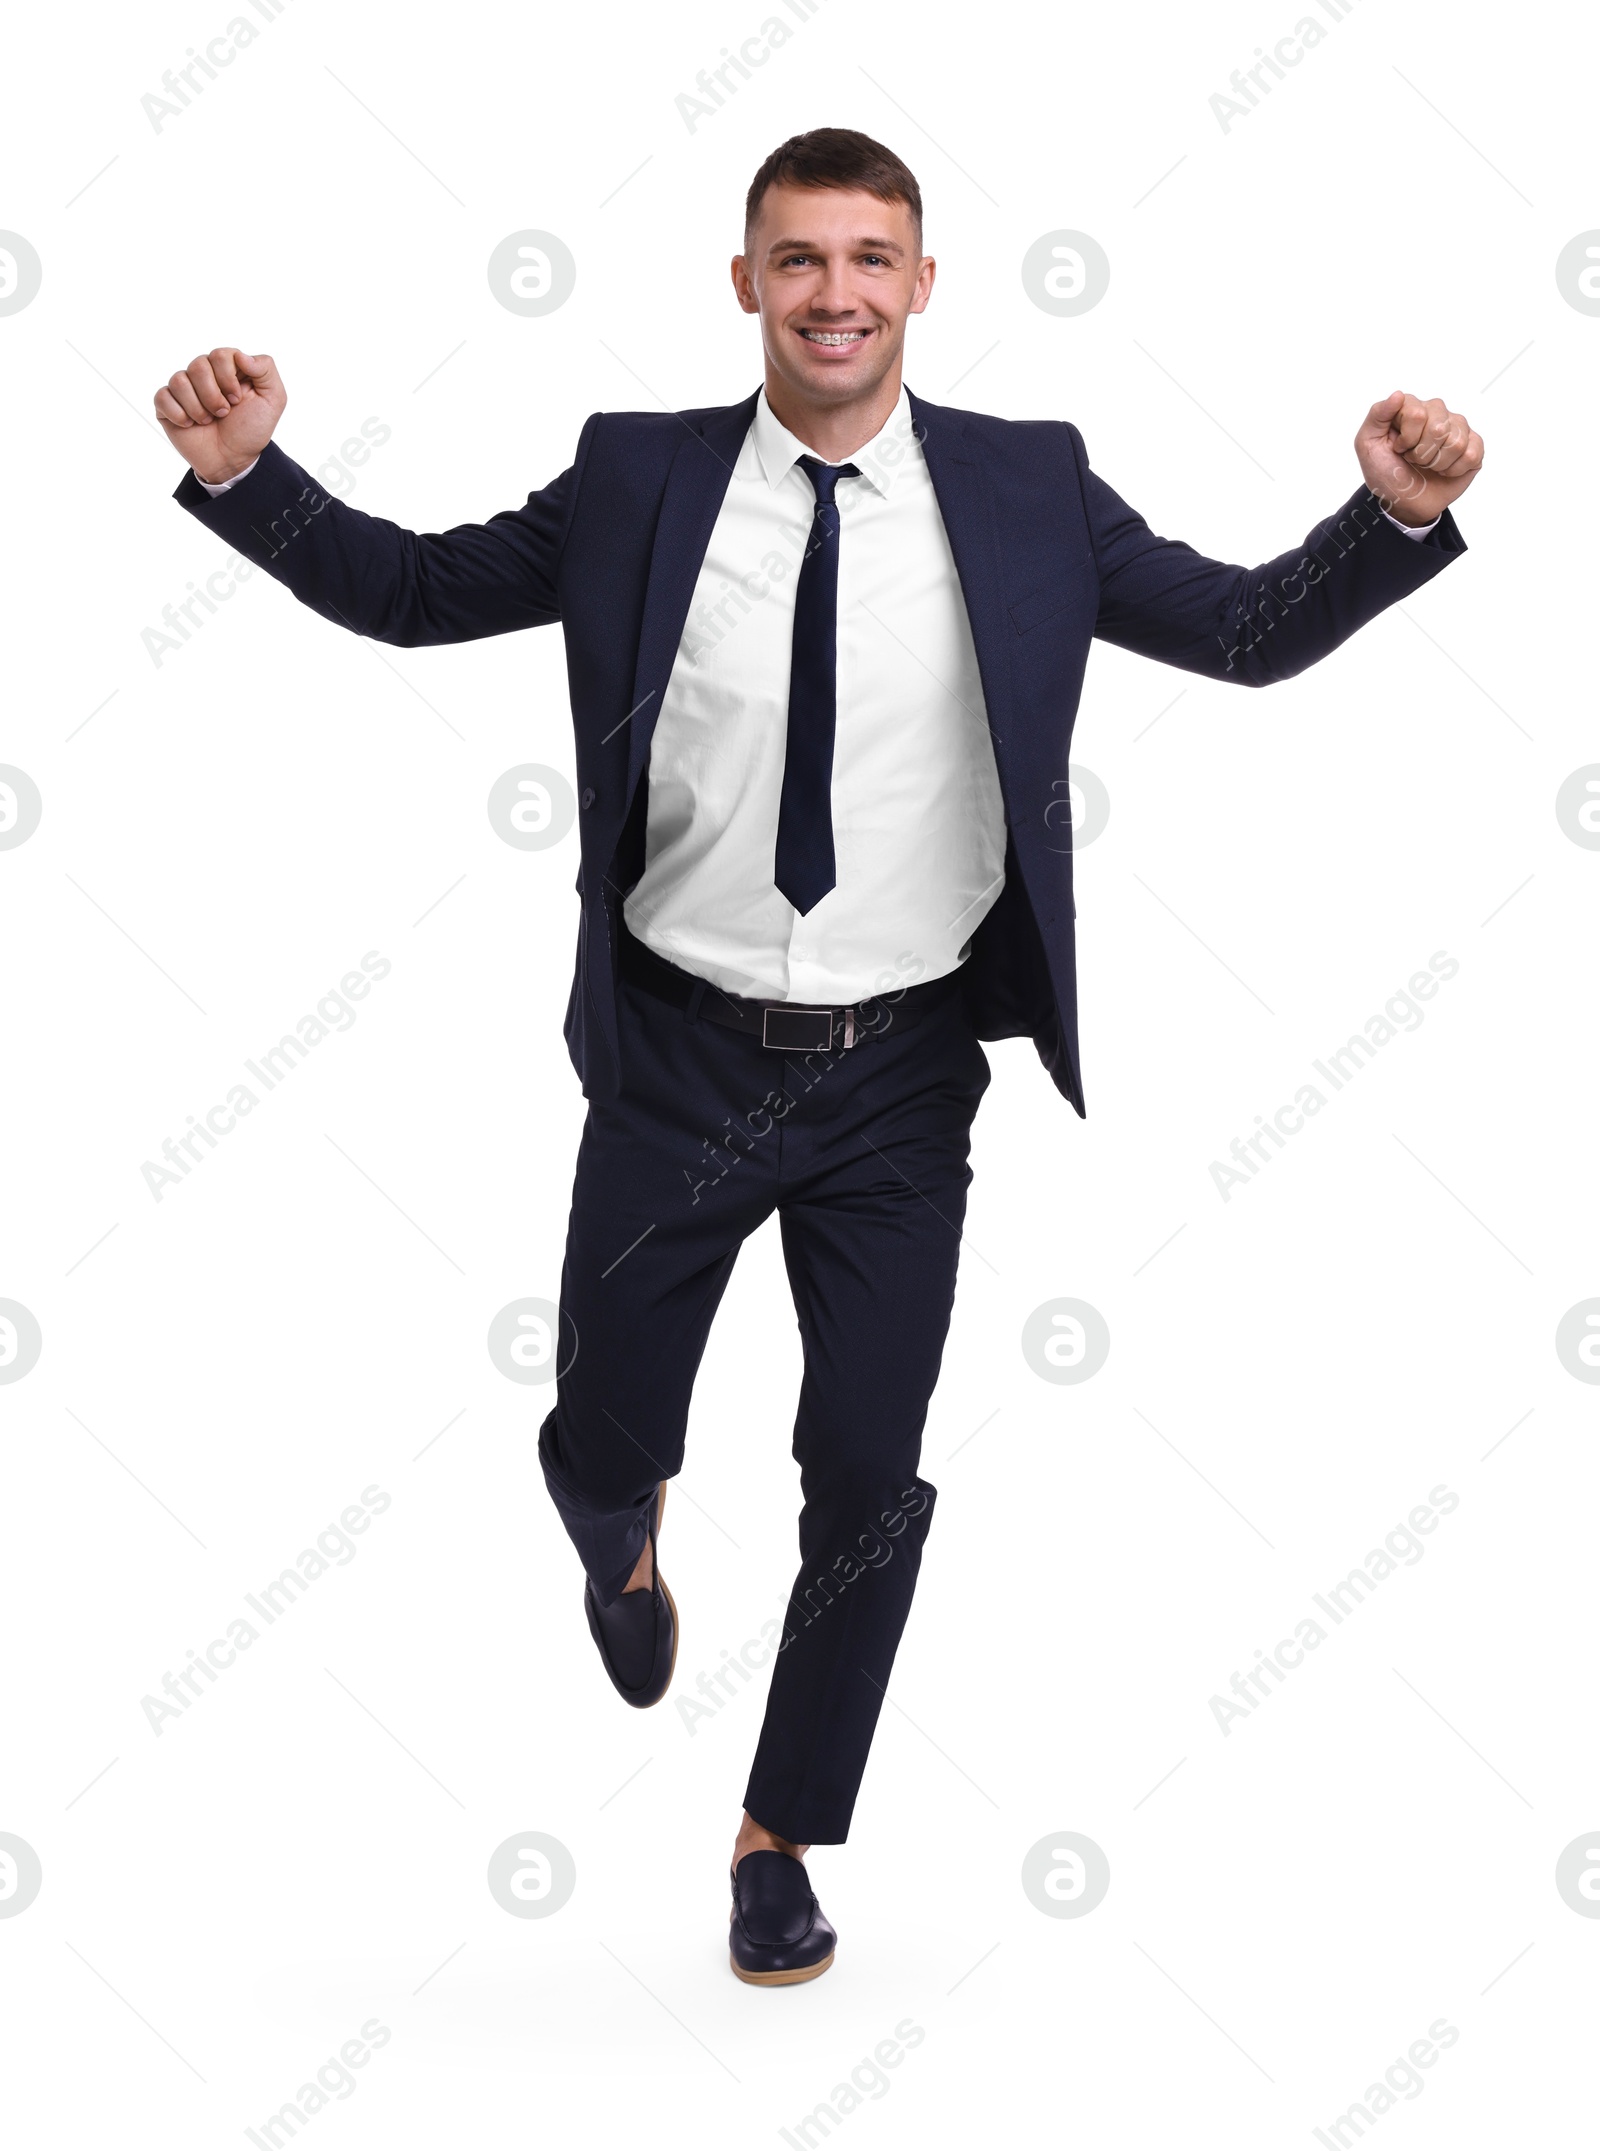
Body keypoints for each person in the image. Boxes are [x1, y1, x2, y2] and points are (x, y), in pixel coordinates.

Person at [157, 127, 1482, 1987]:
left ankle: (780, 1832)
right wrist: (250, 480)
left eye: (871, 259)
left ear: (924, 284)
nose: (836, 292)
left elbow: (1244, 633)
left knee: (866, 1471)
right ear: (746, 284)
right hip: (677, 1056)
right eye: (799, 260)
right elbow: (419, 588)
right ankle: (620, 1544)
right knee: (604, 1427)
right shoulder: (642, 477)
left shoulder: (1027, 488)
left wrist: (1390, 519)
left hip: (901, 1074)